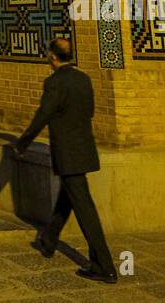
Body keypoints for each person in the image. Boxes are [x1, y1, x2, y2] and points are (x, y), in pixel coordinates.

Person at [13, 36, 117, 283]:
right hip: (84, 148)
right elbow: (89, 112)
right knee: (68, 197)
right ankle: (49, 240)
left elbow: (43, 114)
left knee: (84, 207)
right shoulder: (84, 79)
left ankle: (105, 265)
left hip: (68, 152)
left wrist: (23, 142)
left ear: (52, 56)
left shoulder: (54, 82)